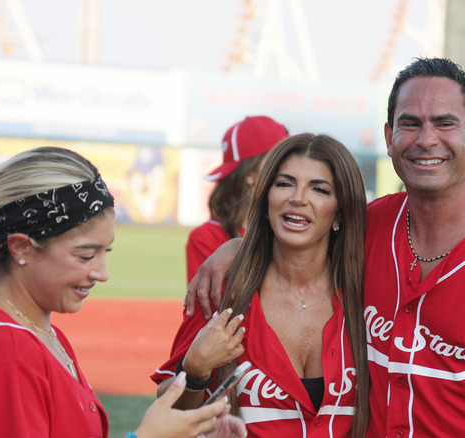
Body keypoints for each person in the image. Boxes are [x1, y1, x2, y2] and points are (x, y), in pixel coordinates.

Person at [184, 58, 465, 437]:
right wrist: (240, 245)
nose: (426, 139)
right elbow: (300, 234)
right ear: (389, 136)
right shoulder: (367, 226)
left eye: (444, 123)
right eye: (410, 123)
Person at [0, 146, 247, 438]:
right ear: (22, 247)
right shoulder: (5, 354)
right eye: (84, 255)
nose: (102, 272)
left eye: (104, 252)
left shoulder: (41, 333)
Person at [153, 134, 370, 437]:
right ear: (266, 197)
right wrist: (195, 373)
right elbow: (168, 417)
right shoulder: (223, 291)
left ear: (341, 212)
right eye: (284, 184)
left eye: (319, 189)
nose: (297, 197)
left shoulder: (369, 298)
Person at [186, 116, 288, 282]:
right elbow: (209, 307)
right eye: (279, 158)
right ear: (249, 173)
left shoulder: (294, 227)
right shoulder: (206, 238)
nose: (289, 167)